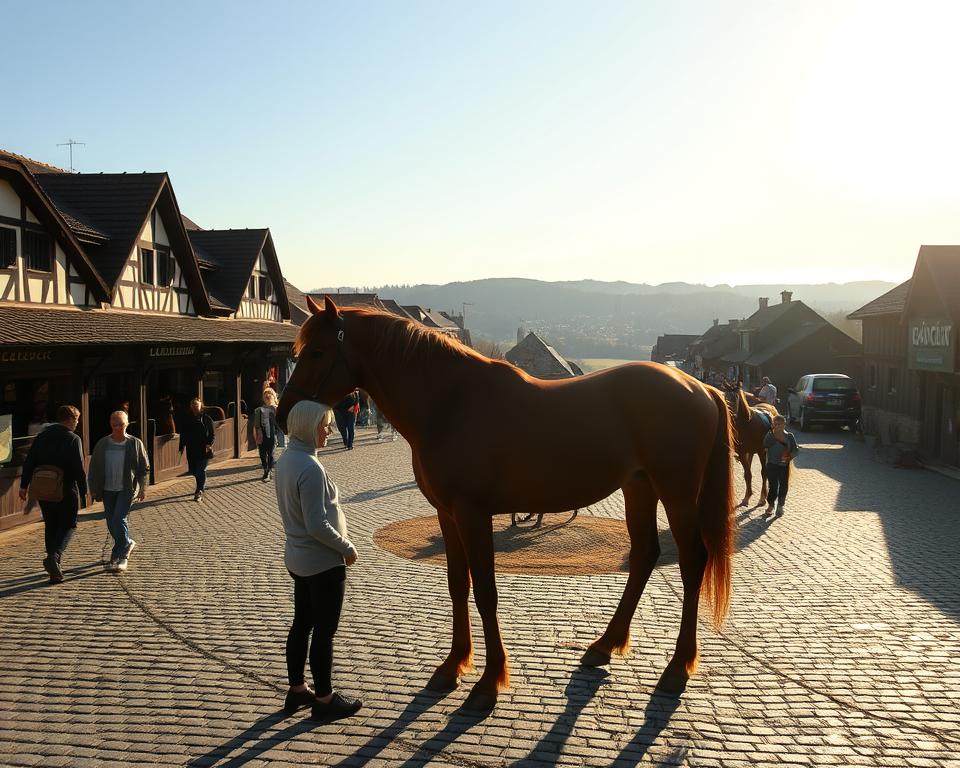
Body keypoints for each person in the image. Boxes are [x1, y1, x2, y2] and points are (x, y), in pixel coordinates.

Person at [275, 399, 362, 722]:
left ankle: (297, 689)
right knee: (324, 631)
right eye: (325, 426)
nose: (329, 431)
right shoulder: (310, 468)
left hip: (299, 557)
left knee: (302, 623)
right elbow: (316, 524)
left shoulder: (287, 459)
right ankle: (324, 699)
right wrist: (347, 547)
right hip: (322, 561)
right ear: (309, 427)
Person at [18, 405, 87, 584]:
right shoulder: (73, 438)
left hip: (43, 488)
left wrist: (24, 485)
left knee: (51, 525)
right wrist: (84, 490)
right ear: (70, 419)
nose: (77, 424)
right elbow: (78, 468)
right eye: (77, 420)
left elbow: (30, 461)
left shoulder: (41, 437)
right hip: (66, 489)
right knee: (69, 525)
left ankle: (54, 571)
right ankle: (54, 557)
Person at [88, 411, 150, 572]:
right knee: (111, 522)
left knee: (119, 518)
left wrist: (142, 488)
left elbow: (143, 467)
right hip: (107, 489)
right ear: (110, 424)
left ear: (127, 424)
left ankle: (122, 555)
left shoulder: (134, 443)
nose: (117, 428)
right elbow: (94, 468)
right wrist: (93, 489)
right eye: (114, 424)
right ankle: (127, 542)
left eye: (121, 424)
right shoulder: (103, 443)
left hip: (126, 488)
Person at [179, 398, 215, 502]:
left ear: (200, 406)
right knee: (194, 470)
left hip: (203, 449)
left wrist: (209, 444)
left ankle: (199, 490)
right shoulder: (187, 419)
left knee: (201, 470)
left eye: (196, 405)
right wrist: (182, 445)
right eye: (193, 405)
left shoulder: (206, 418)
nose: (195, 407)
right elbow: (183, 433)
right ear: (191, 407)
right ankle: (199, 486)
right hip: (191, 449)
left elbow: (212, 433)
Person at [763, 414, 799, 516]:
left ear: (784, 425)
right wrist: (773, 436)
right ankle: (771, 505)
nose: (777, 426)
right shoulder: (770, 435)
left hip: (784, 465)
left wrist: (789, 457)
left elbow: (795, 450)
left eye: (779, 424)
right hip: (772, 464)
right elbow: (765, 445)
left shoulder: (789, 436)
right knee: (773, 486)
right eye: (775, 424)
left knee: (783, 486)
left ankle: (780, 506)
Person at [254, 390, 279, 482]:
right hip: (262, 435)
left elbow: (279, 423)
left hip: (272, 435)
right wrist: (256, 436)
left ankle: (269, 471)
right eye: (265, 395)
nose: (267, 396)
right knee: (262, 454)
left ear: (273, 396)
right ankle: (265, 469)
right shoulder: (259, 410)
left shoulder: (275, 409)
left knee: (271, 454)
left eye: (269, 394)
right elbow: (256, 425)